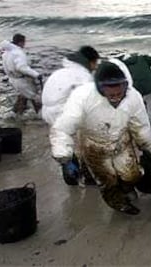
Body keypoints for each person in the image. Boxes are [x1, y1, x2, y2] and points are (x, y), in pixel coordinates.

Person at [50, 60, 151, 215]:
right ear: (100, 88)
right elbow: (64, 126)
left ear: (125, 86)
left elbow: (140, 123)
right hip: (94, 146)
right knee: (107, 181)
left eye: (119, 93)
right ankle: (118, 203)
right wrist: (63, 154)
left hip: (121, 142)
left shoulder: (133, 97)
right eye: (111, 94)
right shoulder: (82, 96)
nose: (116, 98)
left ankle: (126, 187)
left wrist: (144, 143)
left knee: (132, 174)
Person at [42, 46, 100, 186]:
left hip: (49, 113)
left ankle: (69, 169)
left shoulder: (60, 73)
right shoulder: (84, 77)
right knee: (87, 143)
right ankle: (88, 177)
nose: (96, 67)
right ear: (90, 62)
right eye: (95, 63)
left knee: (63, 141)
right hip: (65, 113)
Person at [0, 33, 42, 114]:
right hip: (22, 80)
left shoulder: (6, 52)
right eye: (24, 42)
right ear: (20, 42)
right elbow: (21, 68)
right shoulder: (18, 53)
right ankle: (41, 116)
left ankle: (16, 114)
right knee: (35, 98)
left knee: (23, 96)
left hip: (13, 79)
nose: (24, 44)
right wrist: (36, 74)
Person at [118, 53, 151, 127]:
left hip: (136, 88)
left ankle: (141, 122)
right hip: (150, 85)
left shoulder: (122, 64)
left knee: (138, 106)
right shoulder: (142, 58)